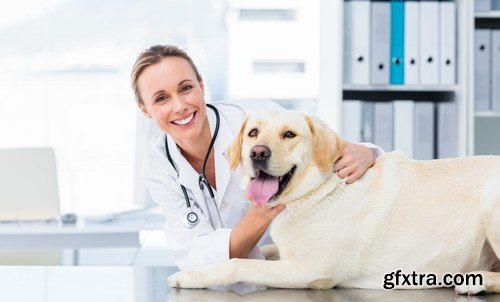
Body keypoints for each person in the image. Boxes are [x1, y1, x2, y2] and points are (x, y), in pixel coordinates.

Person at [131, 45, 384, 270]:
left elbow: (326, 152)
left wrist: (368, 153)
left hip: (299, 267)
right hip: (228, 285)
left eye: (186, 88)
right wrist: (261, 213)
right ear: (145, 110)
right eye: (161, 98)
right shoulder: (158, 166)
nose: (179, 106)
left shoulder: (256, 118)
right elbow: (194, 255)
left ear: (201, 86)